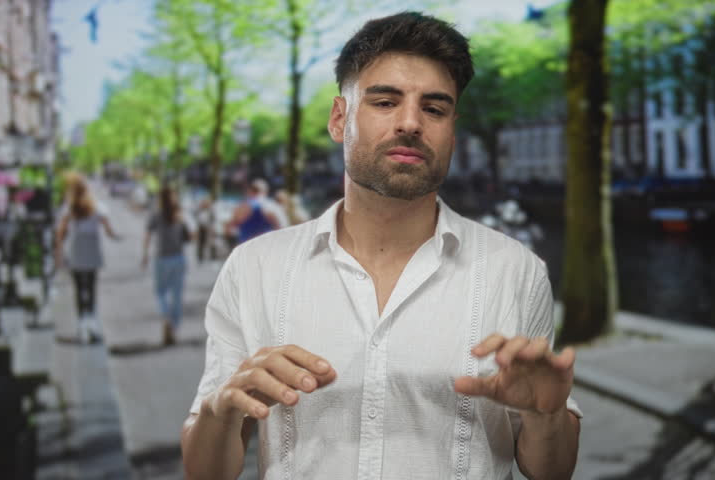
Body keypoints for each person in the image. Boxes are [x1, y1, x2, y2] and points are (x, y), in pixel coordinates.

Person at [181, 12, 581, 480]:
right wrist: (221, 408)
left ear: (452, 129)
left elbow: (552, 473)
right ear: (339, 118)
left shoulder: (517, 271)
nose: (410, 122)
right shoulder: (254, 268)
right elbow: (204, 473)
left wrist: (545, 415)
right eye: (385, 102)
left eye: (434, 109)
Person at [54, 177, 120, 343]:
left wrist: (58, 253)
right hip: (91, 252)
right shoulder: (96, 207)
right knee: (91, 288)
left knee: (78, 288)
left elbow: (60, 234)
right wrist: (115, 236)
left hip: (76, 252)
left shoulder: (69, 208)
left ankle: (82, 323)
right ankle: (91, 322)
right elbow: (108, 228)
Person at [142, 185, 191, 346]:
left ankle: (166, 316)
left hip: (161, 258)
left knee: (160, 292)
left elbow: (148, 235)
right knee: (177, 295)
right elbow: (192, 235)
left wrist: (145, 255)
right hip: (178, 258)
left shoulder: (156, 215)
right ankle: (174, 327)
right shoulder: (180, 214)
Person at [225, 178, 283, 245]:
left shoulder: (243, 206)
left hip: (246, 244)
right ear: (266, 191)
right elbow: (280, 226)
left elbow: (229, 228)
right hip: (267, 244)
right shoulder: (272, 205)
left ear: (250, 191)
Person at [194, 196, 213, 263]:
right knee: (200, 243)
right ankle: (200, 257)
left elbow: (212, 219)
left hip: (207, 228)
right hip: (201, 228)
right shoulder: (200, 210)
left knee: (208, 242)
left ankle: (209, 256)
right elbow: (197, 217)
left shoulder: (209, 211)